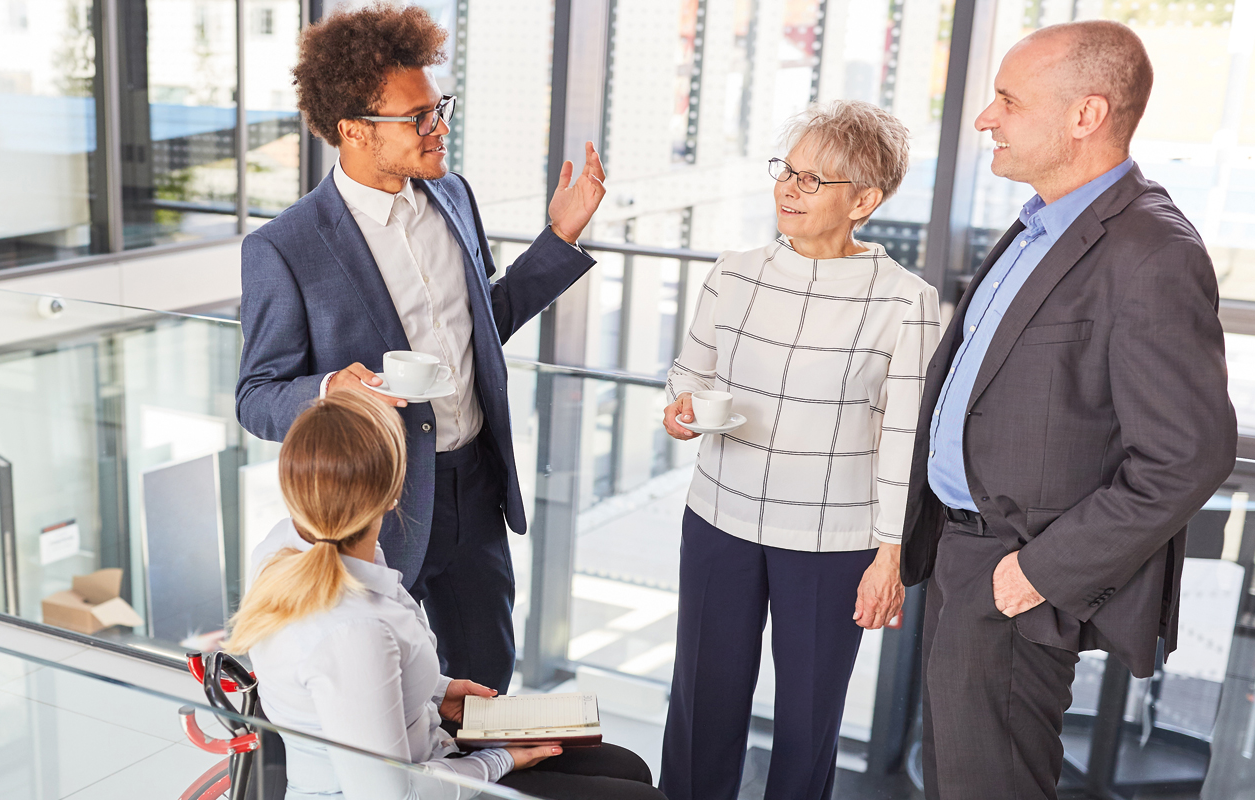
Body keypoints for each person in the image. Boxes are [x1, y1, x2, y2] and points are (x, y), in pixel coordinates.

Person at [899, 21, 1237, 800]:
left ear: (1085, 115)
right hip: (960, 553)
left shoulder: (1152, 252)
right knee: (955, 780)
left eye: (1009, 100)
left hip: (1018, 574)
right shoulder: (1040, 224)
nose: (985, 117)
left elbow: (1187, 457)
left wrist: (1036, 573)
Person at [236, 3, 606, 692]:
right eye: (419, 117)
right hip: (377, 507)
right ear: (353, 129)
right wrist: (331, 391)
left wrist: (560, 239)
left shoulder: (452, 196)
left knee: (484, 684)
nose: (440, 127)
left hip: (475, 486)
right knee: (386, 693)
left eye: (440, 108)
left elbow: (483, 324)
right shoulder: (283, 249)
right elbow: (256, 398)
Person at [659, 100, 940, 800]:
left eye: (813, 180)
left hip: (831, 540)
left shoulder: (906, 302)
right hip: (719, 519)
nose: (789, 188)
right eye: (787, 171)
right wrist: (683, 410)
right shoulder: (733, 272)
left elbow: (906, 439)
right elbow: (689, 376)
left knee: (808, 722)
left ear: (864, 201)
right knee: (701, 703)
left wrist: (890, 555)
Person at [227, 392, 663, 800]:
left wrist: (440, 691)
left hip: (429, 748)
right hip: (405, 788)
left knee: (628, 768)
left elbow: (360, 685)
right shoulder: (353, 631)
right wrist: (500, 760)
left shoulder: (287, 547)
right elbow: (396, 796)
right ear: (394, 492)